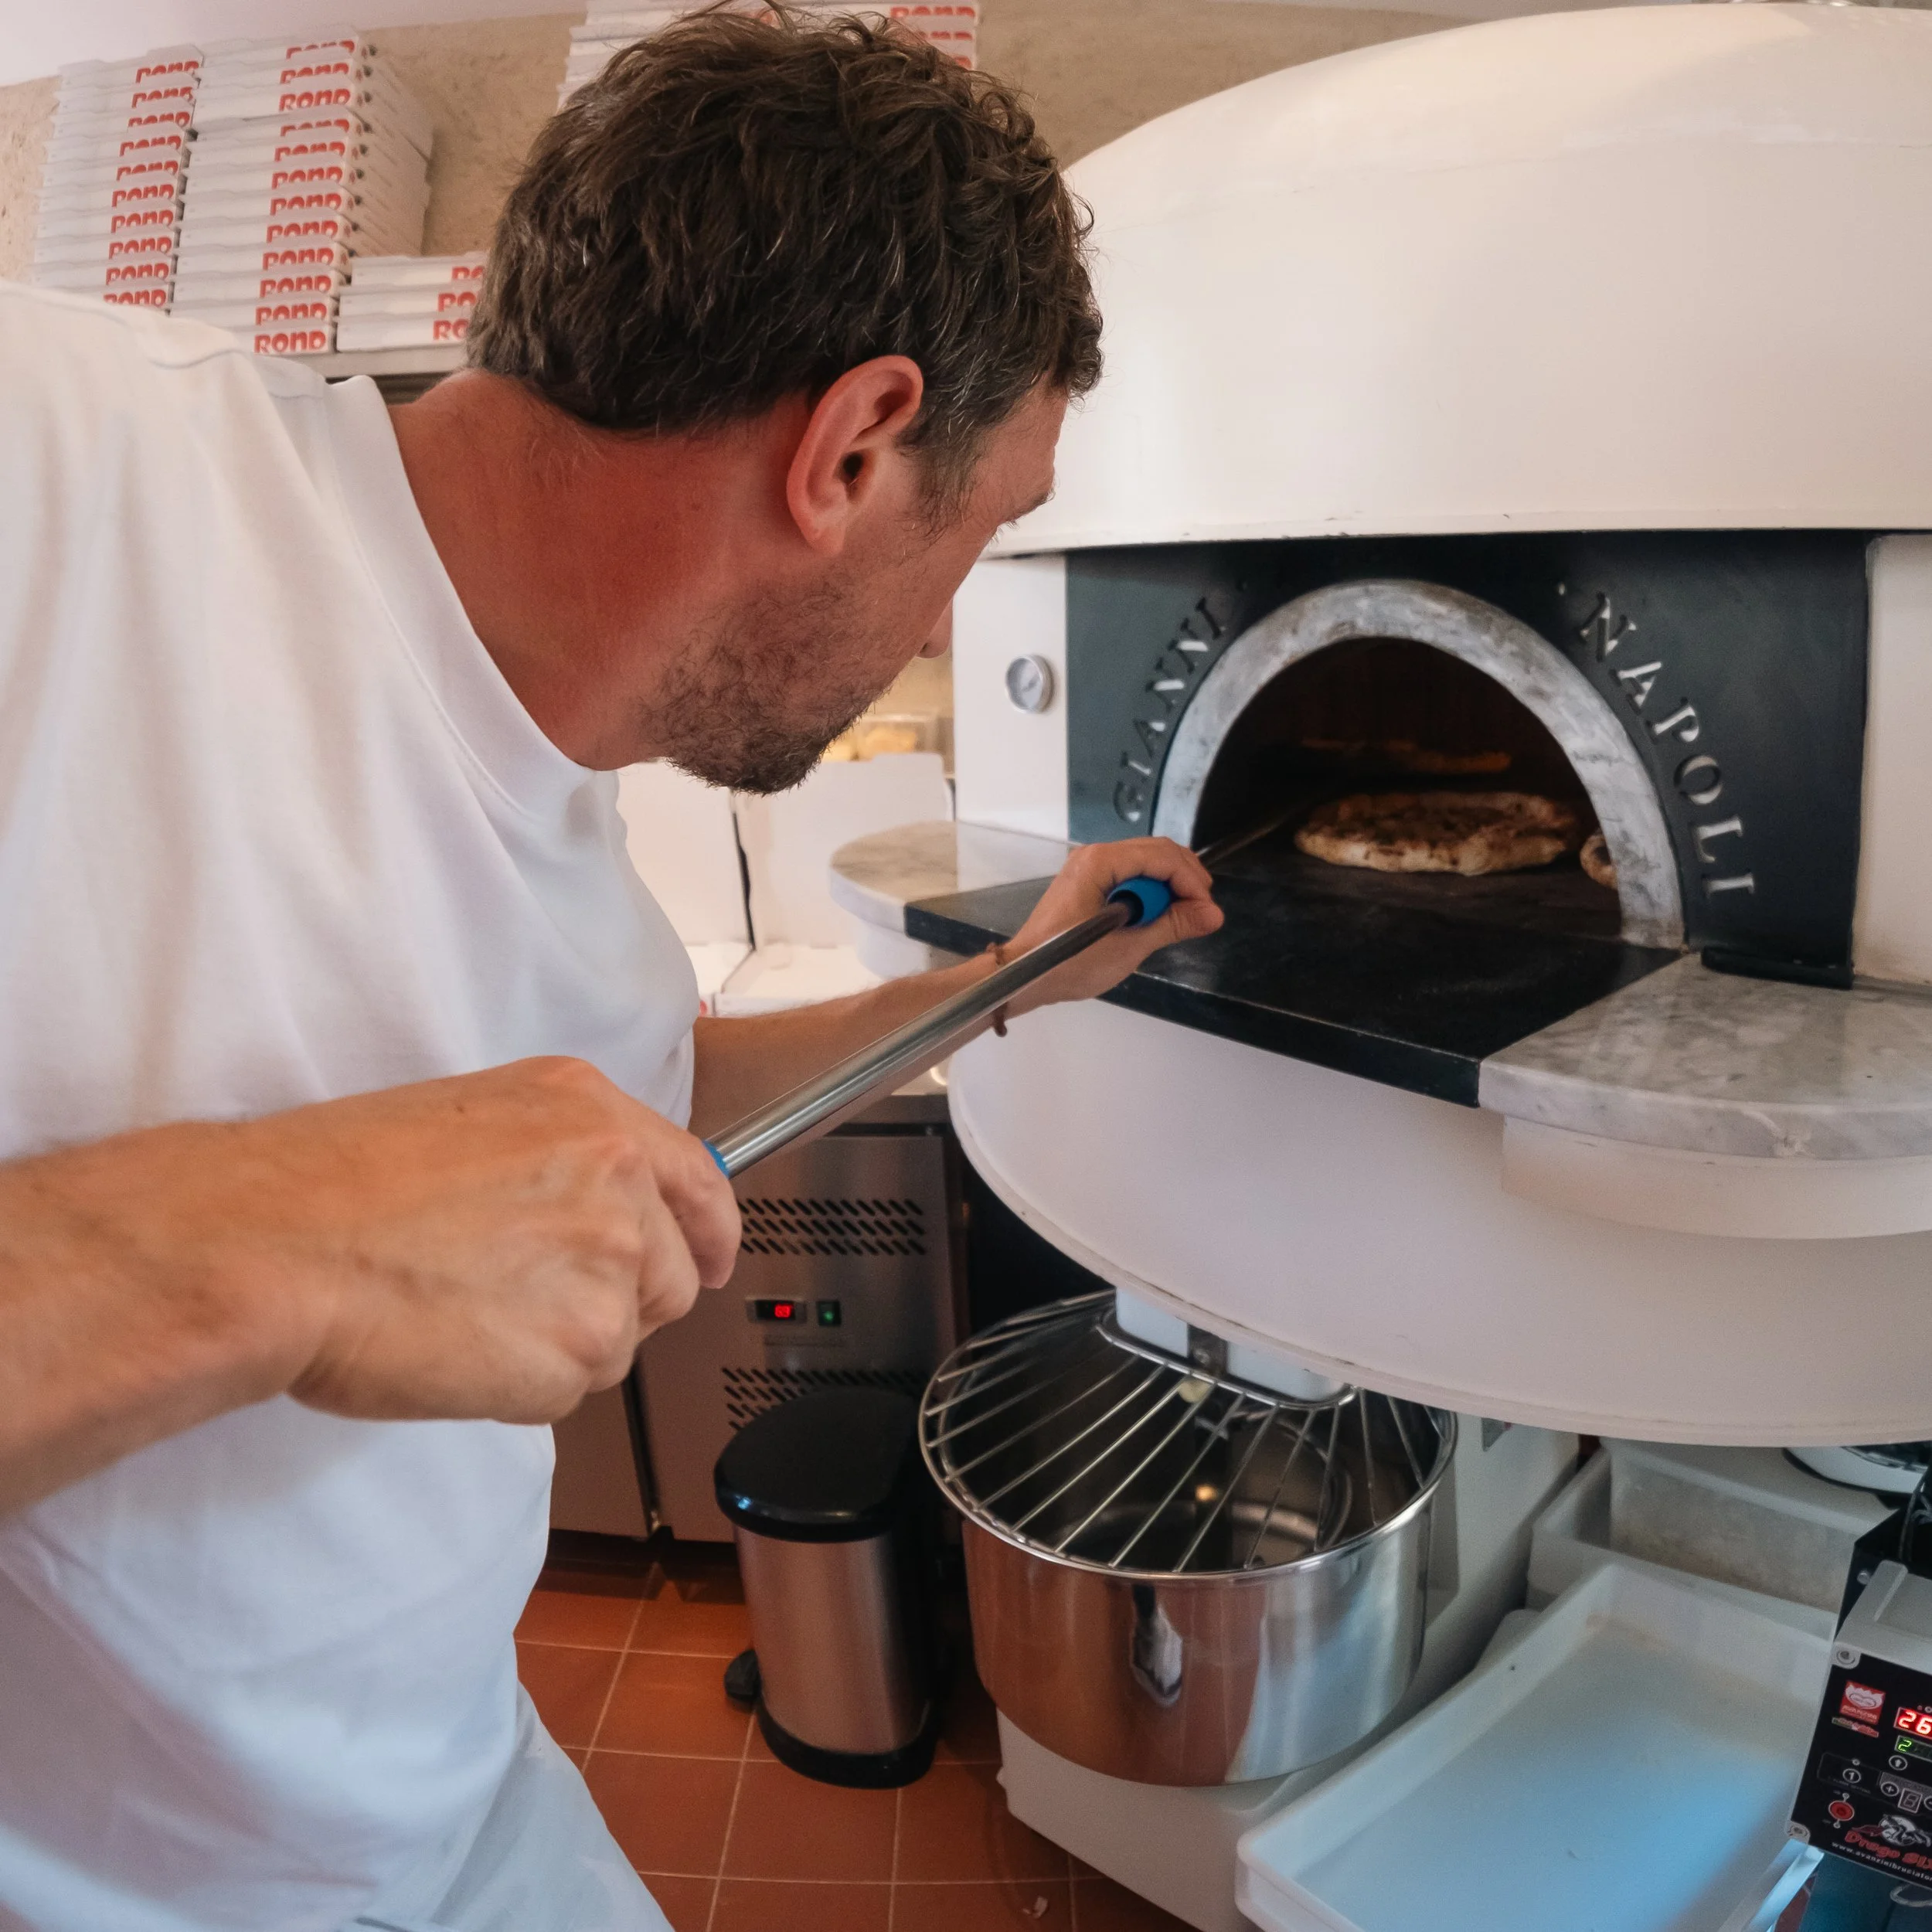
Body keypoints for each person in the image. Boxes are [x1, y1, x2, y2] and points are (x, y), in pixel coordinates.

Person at [0, 12, 1221, 1932]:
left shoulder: (575, 854)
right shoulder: (58, 471)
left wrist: (996, 987)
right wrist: (264, 1236)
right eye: (984, 530)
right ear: (852, 445)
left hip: (442, 1811)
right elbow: (373, 1191)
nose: (957, 598)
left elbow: (619, 1095)